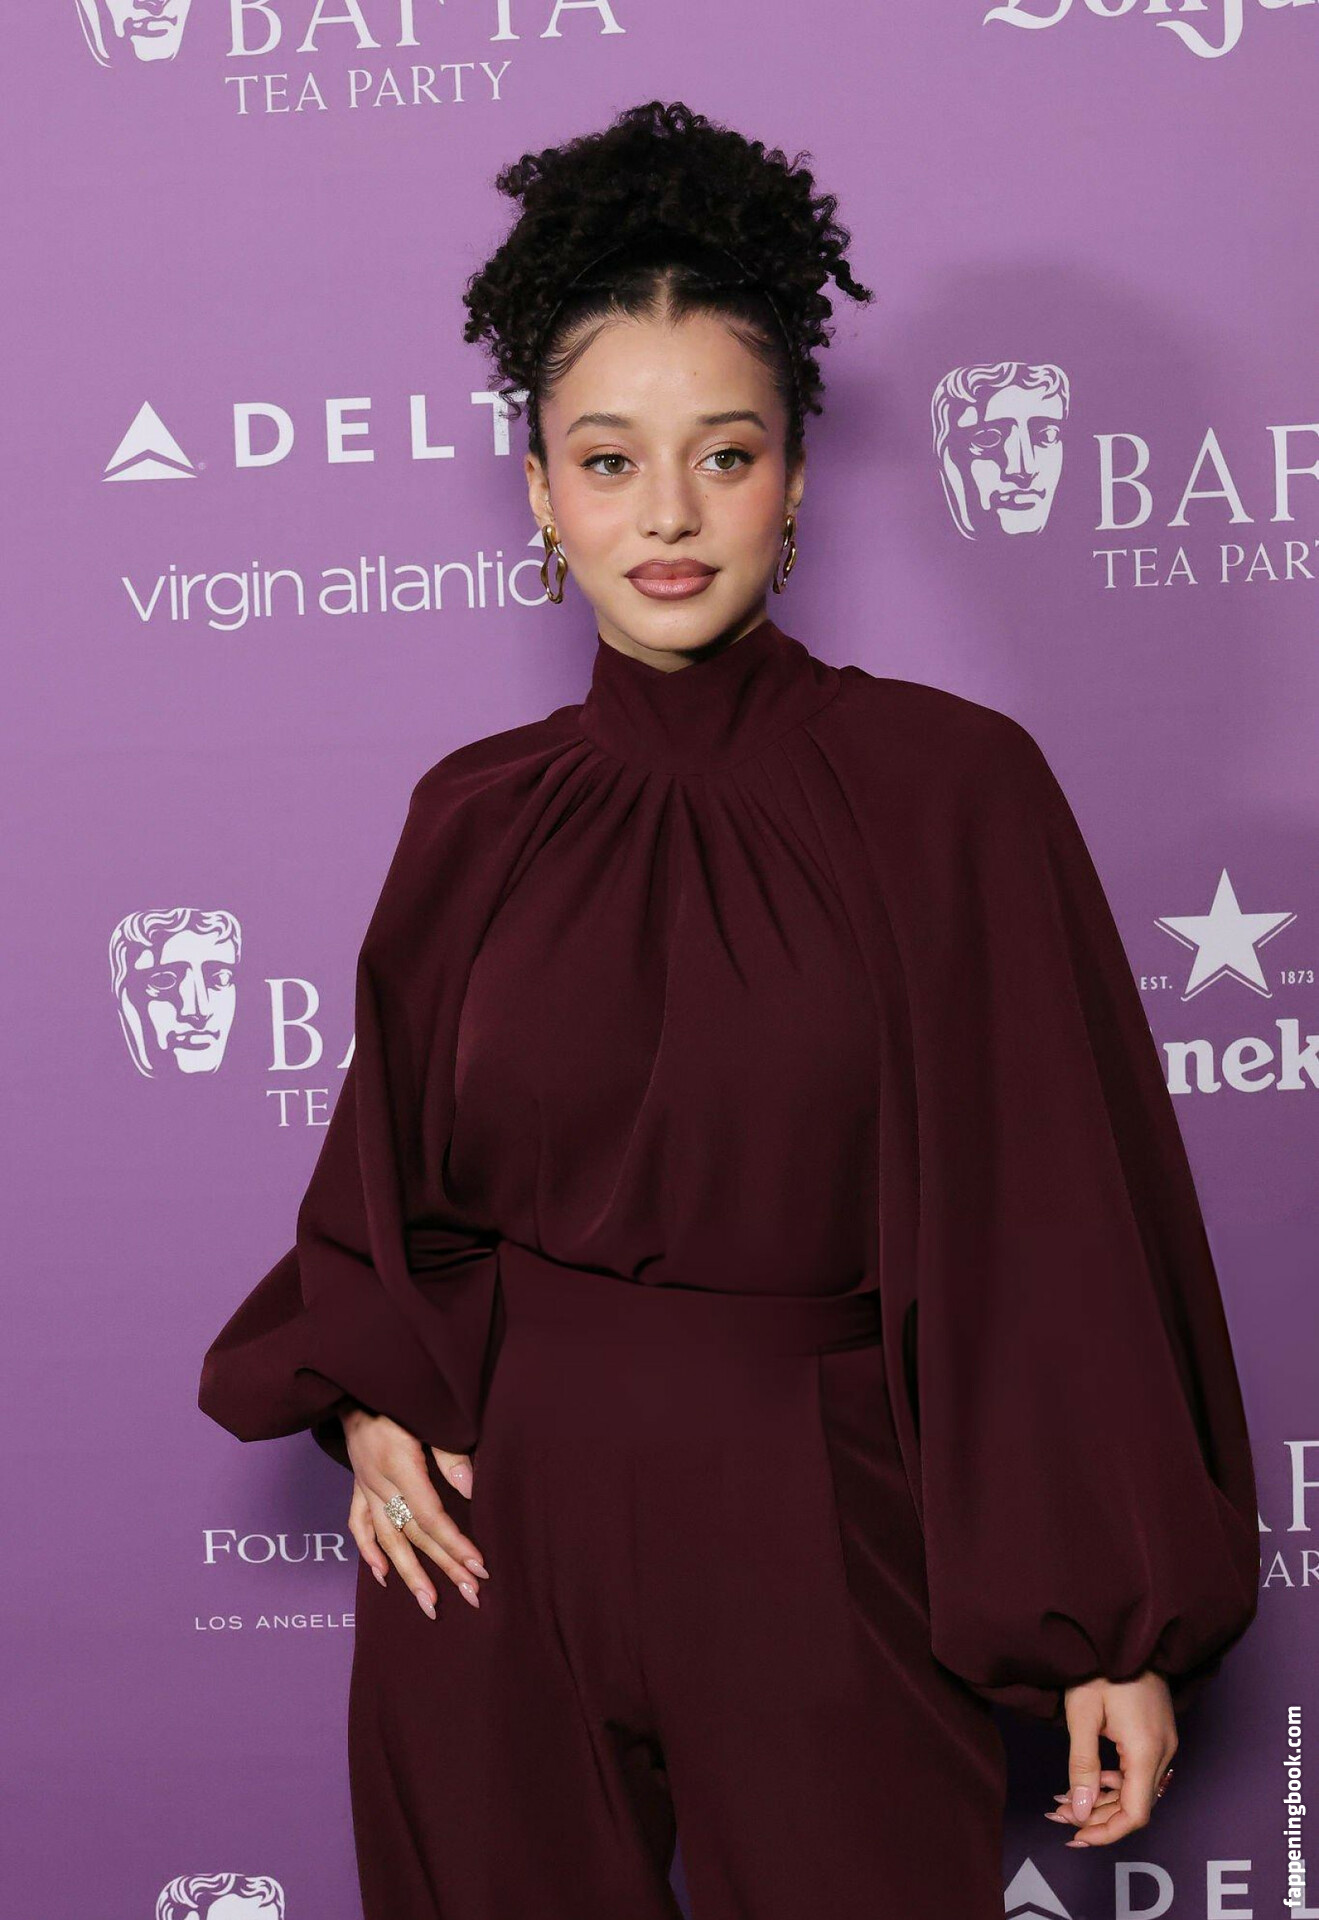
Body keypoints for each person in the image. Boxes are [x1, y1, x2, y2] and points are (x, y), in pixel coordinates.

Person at [198, 99, 1260, 1920]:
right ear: (541, 492)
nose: (669, 514)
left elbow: (1054, 1224)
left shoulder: (951, 791)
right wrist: (370, 1399)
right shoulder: (477, 813)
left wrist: (1109, 1624)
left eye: (726, 454)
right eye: (609, 460)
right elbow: (384, 1196)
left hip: (824, 1530)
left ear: (797, 478)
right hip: (492, 1546)